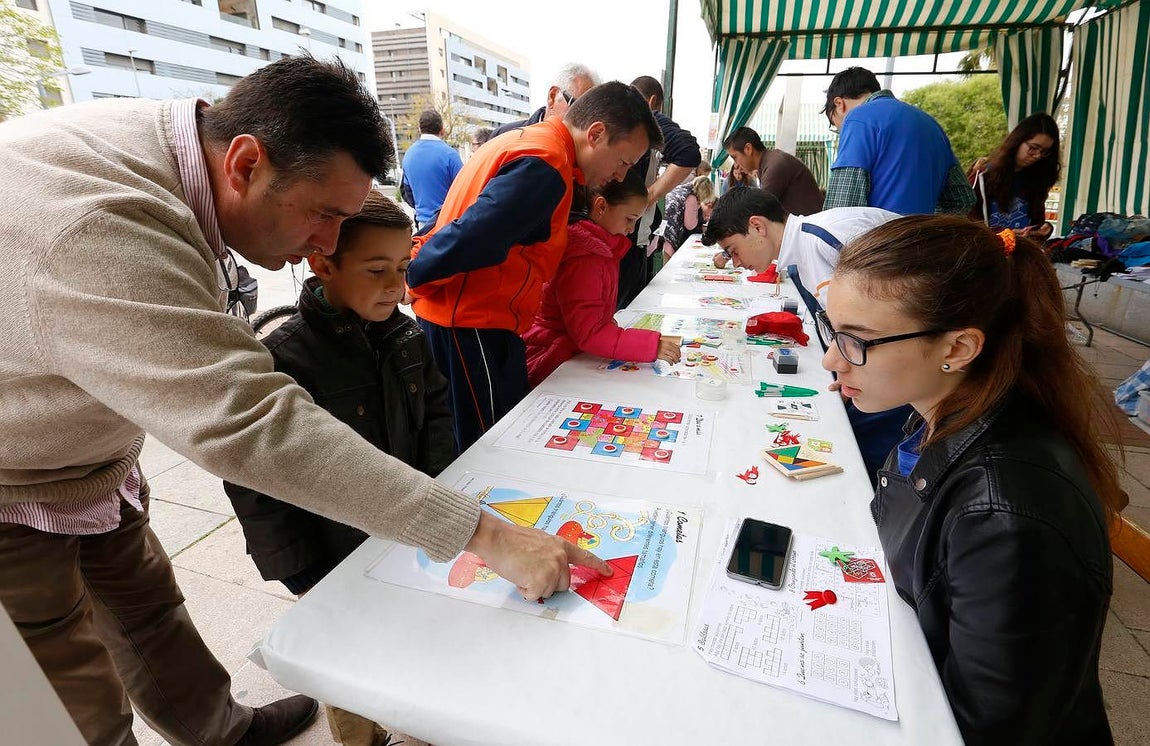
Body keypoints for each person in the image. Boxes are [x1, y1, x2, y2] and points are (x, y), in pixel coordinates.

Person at [0, 54, 608, 746]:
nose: (326, 243)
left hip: (93, 463)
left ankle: (221, 730)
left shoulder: (175, 150)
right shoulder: (96, 230)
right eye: (323, 216)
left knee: (148, 613)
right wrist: (489, 535)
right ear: (245, 163)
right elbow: (252, 424)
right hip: (15, 483)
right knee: (67, 696)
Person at [819, 215, 1120, 744]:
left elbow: (984, 729)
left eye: (855, 340)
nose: (830, 360)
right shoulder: (941, 413)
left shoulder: (1005, 516)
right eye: (832, 331)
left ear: (957, 349)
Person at [223, 190, 450, 745]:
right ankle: (360, 738)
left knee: (404, 635)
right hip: (329, 548)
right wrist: (293, 562)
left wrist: (443, 492)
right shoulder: (284, 357)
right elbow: (252, 474)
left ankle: (409, 713)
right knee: (343, 658)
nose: (395, 286)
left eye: (402, 268)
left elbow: (437, 413)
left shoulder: (407, 336)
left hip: (404, 533)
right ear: (323, 263)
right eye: (376, 270)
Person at [407, 81, 662, 452]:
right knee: (490, 447)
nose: (621, 176)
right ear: (595, 133)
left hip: (480, 319)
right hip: (471, 323)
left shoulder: (531, 143)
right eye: (623, 162)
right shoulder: (546, 163)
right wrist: (411, 275)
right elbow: (471, 234)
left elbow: (457, 220)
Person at [702, 188, 905, 482]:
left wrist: (851, 371)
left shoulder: (826, 240)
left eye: (734, 250)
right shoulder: (803, 249)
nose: (736, 263)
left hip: (899, 371)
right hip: (874, 367)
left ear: (757, 226)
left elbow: (894, 319)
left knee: (859, 456)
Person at [523, 172, 682, 386]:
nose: (631, 229)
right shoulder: (584, 257)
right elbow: (589, 332)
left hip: (573, 354)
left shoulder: (602, 248)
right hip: (554, 360)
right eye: (629, 219)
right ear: (601, 207)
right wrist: (651, 346)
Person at [822, 66, 975, 216]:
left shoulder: (858, 118)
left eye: (835, 125)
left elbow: (840, 212)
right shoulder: (931, 124)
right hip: (923, 238)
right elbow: (962, 200)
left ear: (839, 104)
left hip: (879, 239)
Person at [616, 75, 702, 310]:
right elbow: (688, 151)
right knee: (624, 311)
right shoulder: (644, 116)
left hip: (620, 236)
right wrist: (650, 195)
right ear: (653, 101)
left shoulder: (615, 119)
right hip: (626, 240)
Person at [968, 112, 1060, 240]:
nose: (1037, 155)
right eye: (1033, 148)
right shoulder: (983, 175)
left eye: (1044, 152)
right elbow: (968, 223)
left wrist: (1041, 229)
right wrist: (1004, 235)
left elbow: (1036, 221)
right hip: (988, 252)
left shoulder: (1037, 180)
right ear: (1017, 141)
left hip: (1022, 252)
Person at [722, 126, 823, 216]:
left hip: (812, 232)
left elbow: (756, 210)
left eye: (734, 157)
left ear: (748, 149)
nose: (735, 164)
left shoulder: (776, 165)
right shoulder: (770, 162)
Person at [491, 62, 599, 137]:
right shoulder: (503, 136)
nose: (585, 122)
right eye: (579, 109)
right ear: (553, 97)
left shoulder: (584, 158)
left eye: (591, 115)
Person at [400, 109, 463, 228]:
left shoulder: (408, 155)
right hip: (449, 222)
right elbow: (463, 188)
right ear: (442, 130)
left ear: (419, 129)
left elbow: (406, 191)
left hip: (423, 223)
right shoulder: (450, 155)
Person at [649, 175, 717, 259]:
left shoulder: (680, 188)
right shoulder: (692, 198)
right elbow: (690, 225)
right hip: (669, 232)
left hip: (661, 226)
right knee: (667, 264)